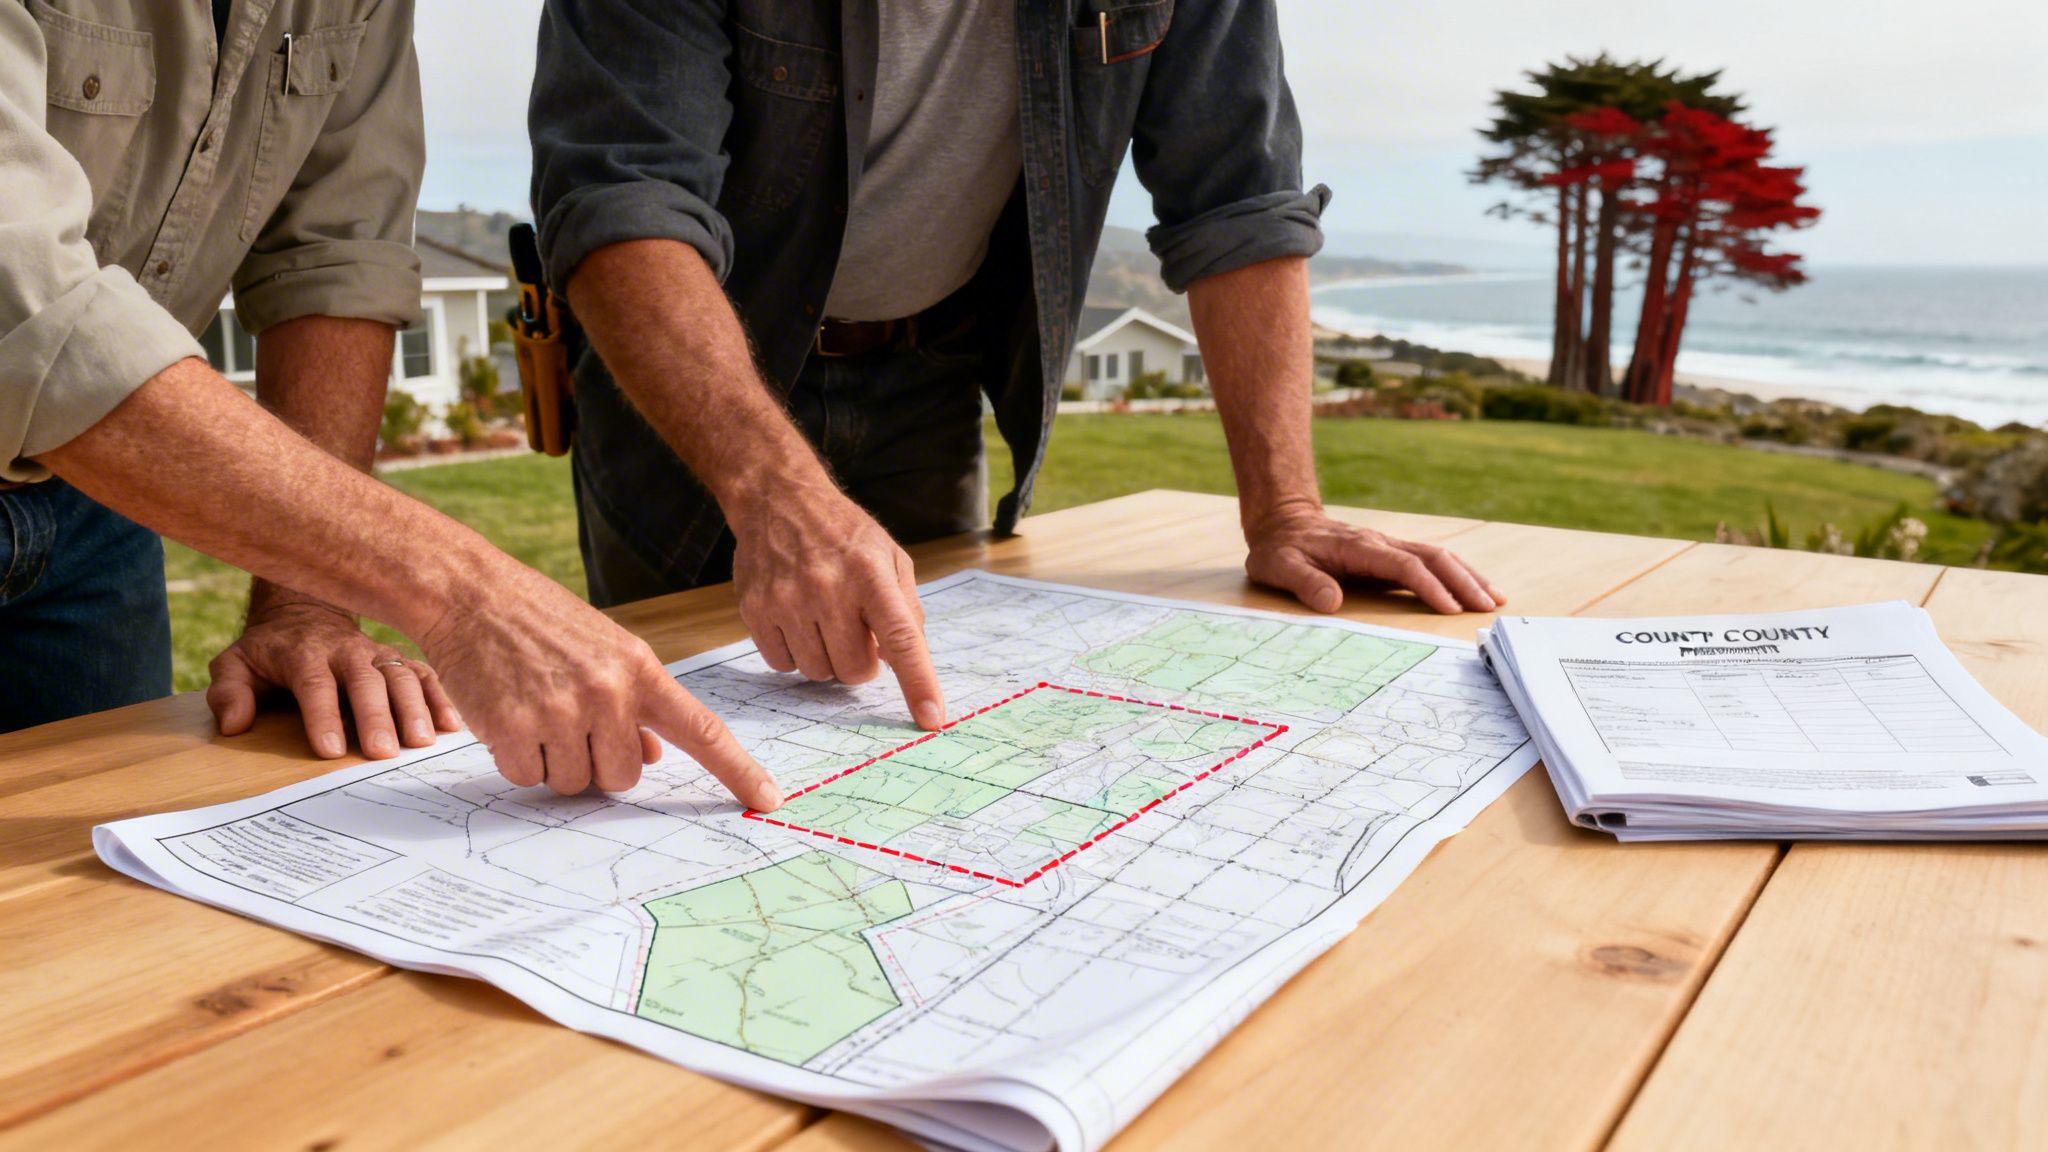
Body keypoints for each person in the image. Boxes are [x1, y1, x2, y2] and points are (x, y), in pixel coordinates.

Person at [528, 0, 1506, 729]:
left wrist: (1285, 511)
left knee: (901, 728)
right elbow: (624, 201)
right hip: (685, 393)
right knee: (676, 741)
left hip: (928, 374)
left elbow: (1238, 202)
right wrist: (772, 494)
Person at [0, 0, 779, 809]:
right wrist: (469, 596)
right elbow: (22, 298)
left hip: (92, 508)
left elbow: (336, 258)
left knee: (94, 879)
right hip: (87, 444)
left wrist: (307, 604)